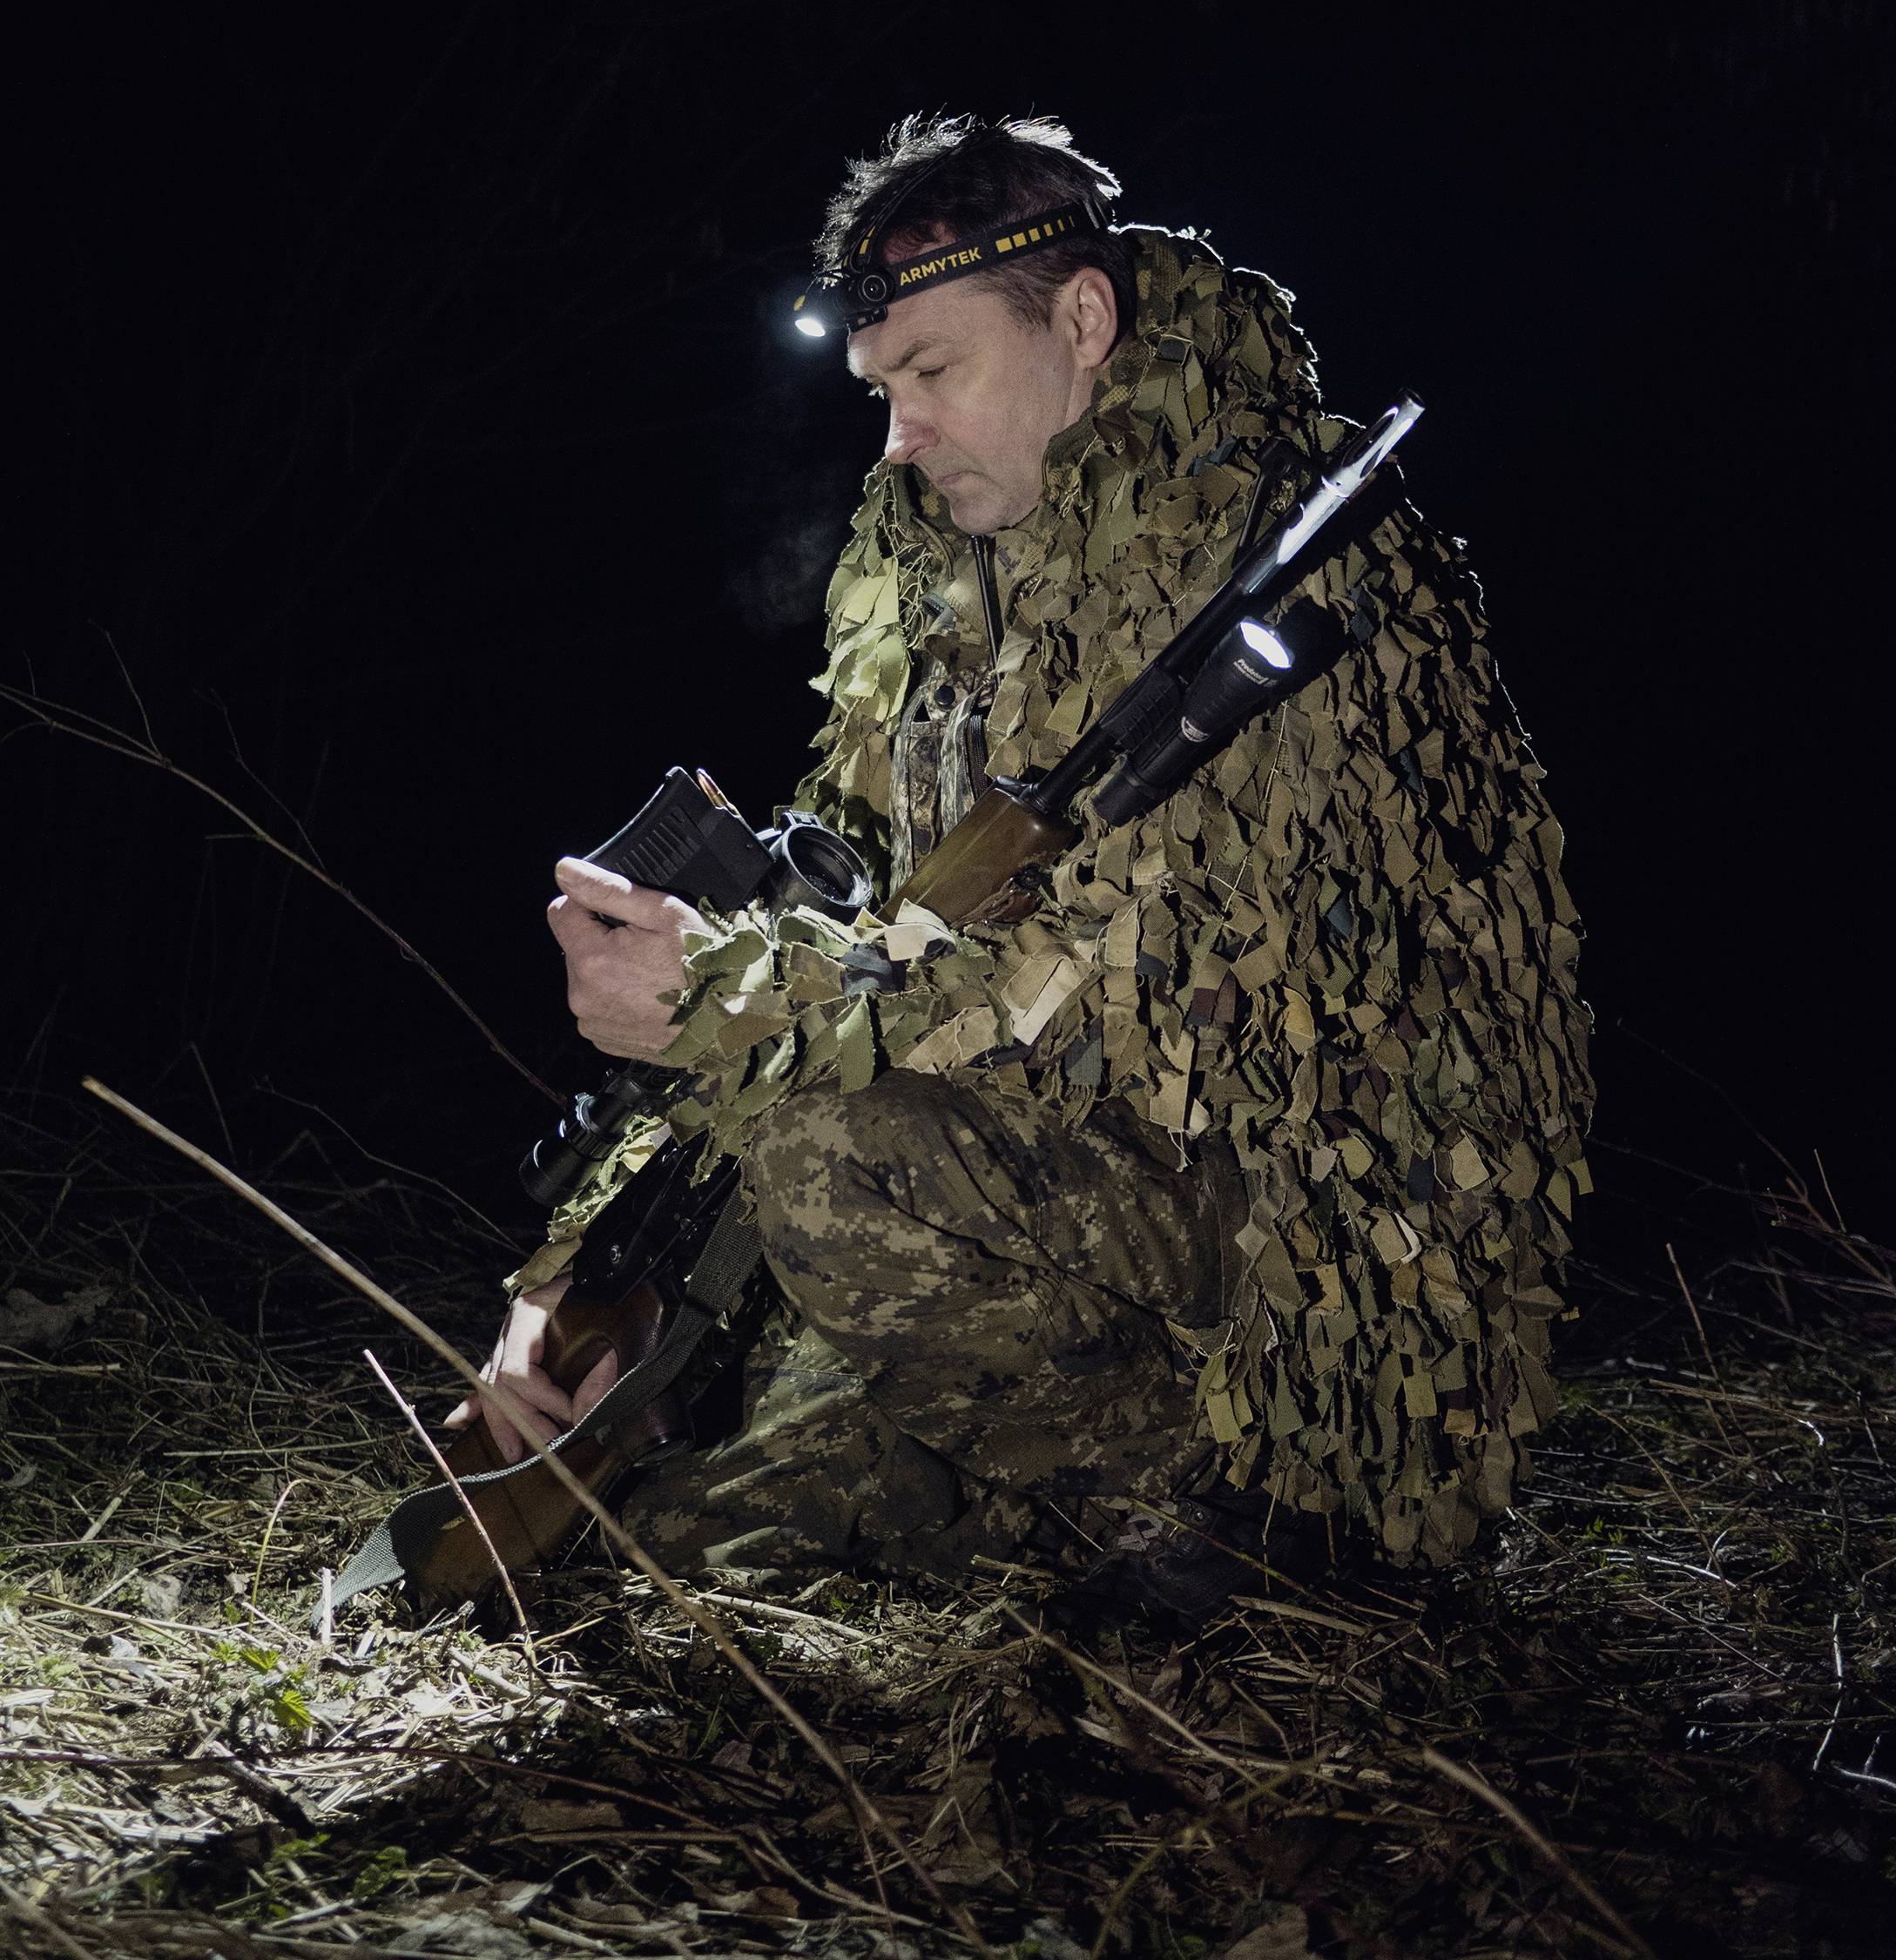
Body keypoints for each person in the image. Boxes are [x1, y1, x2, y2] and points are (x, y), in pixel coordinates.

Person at [447, 113, 1594, 1606]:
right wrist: (579, 1286)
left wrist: (735, 996)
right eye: (878, 388)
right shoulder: (932, 557)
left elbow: (1119, 991)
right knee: (670, 1556)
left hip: (1292, 1289)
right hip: (1056, 1199)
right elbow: (846, 916)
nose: (898, 435)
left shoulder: (1284, 554)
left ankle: (1233, 1511)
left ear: (1085, 320)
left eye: (933, 373)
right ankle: (1001, 1493)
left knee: (828, 1157)